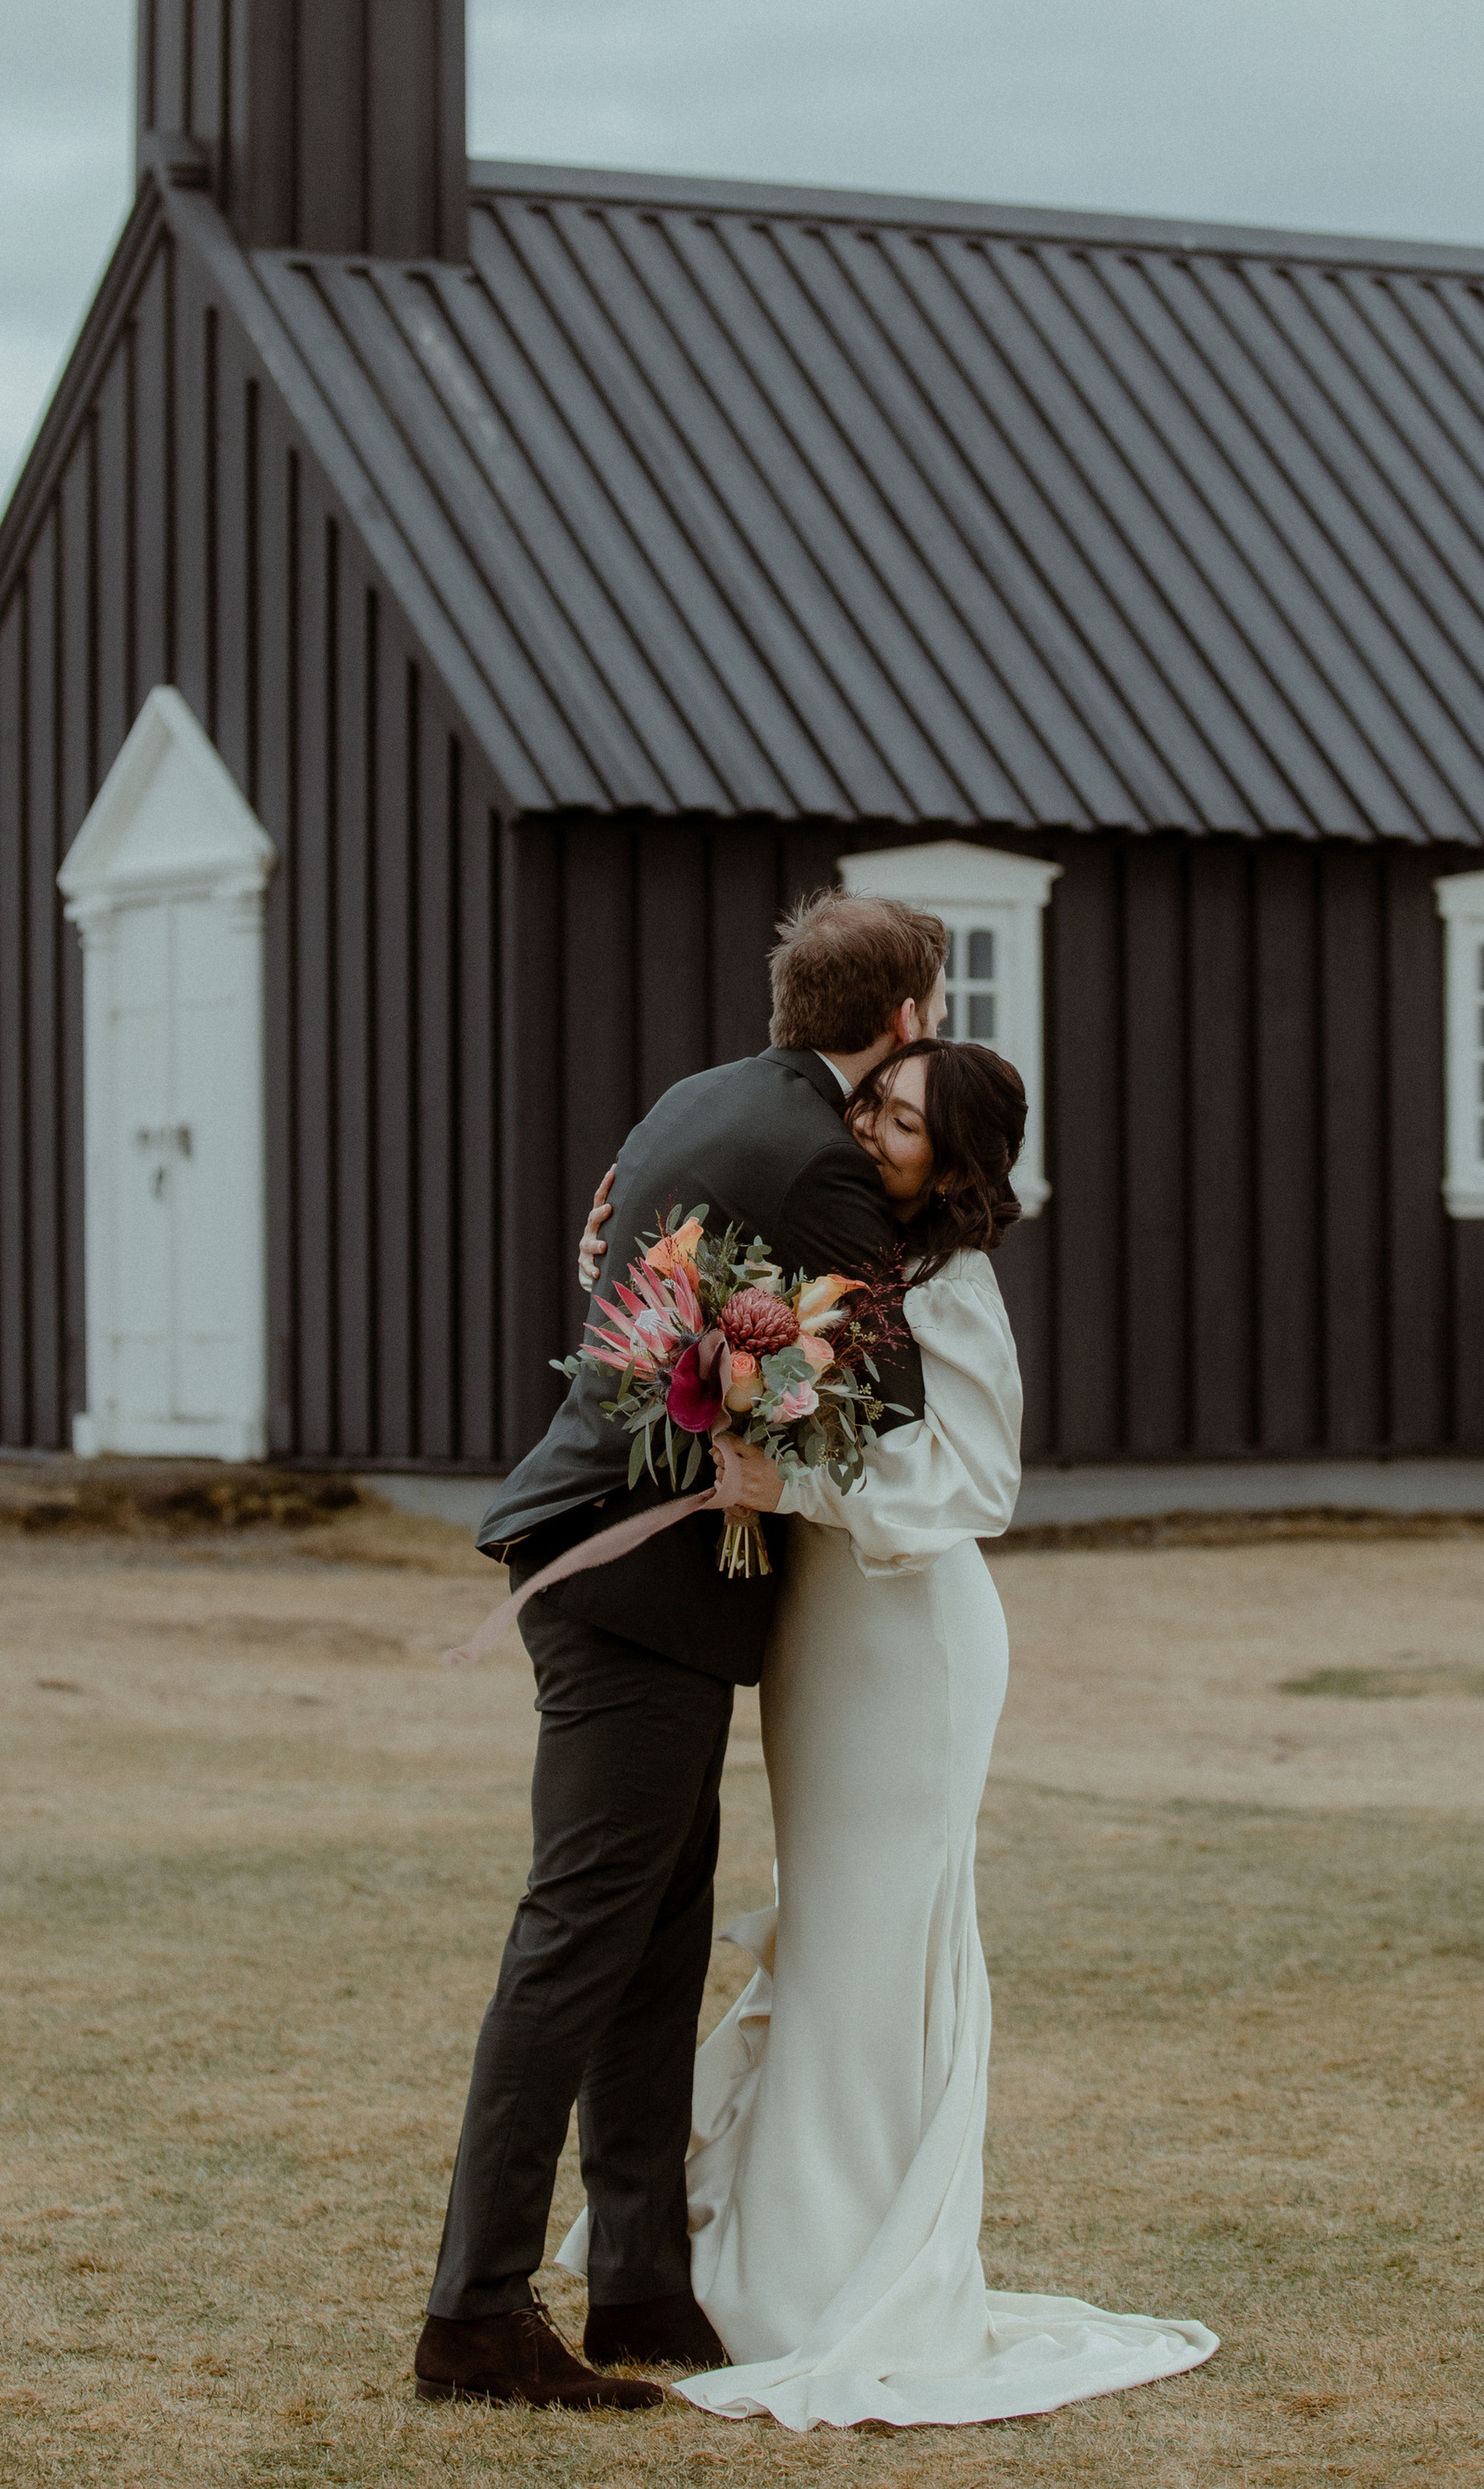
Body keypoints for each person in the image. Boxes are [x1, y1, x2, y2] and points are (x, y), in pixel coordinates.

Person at [560, 1037, 1219, 2430]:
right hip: (818, 1638)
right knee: (825, 1929)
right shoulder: (849, 1246)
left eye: (906, 1120)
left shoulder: (958, 1284)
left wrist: (792, 1477)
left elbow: (979, 1479)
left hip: (912, 1642)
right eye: (871, 1099)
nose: (871, 1127)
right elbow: (699, 1322)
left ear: (961, 1161)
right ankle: (771, 2256)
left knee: (876, 1942)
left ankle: (831, 2279)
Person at [413, 889, 948, 2412]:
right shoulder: (823, 1163)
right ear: (903, 1022)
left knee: (656, 1935)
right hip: (628, 1579)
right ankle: (475, 2316)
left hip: (632, 1577)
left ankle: (643, 2282)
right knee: (580, 1936)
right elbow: (889, 1405)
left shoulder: (697, 1101)